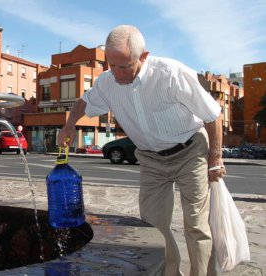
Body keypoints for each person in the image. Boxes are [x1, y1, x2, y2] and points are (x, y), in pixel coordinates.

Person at [58, 25, 226, 276]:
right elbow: (85, 101)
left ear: (144, 57)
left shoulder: (172, 74)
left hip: (190, 151)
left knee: (196, 225)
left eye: (123, 66)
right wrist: (69, 125)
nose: (115, 73)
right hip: (150, 159)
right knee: (152, 227)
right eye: (110, 65)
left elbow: (213, 116)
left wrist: (215, 158)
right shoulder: (107, 82)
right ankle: (169, 273)